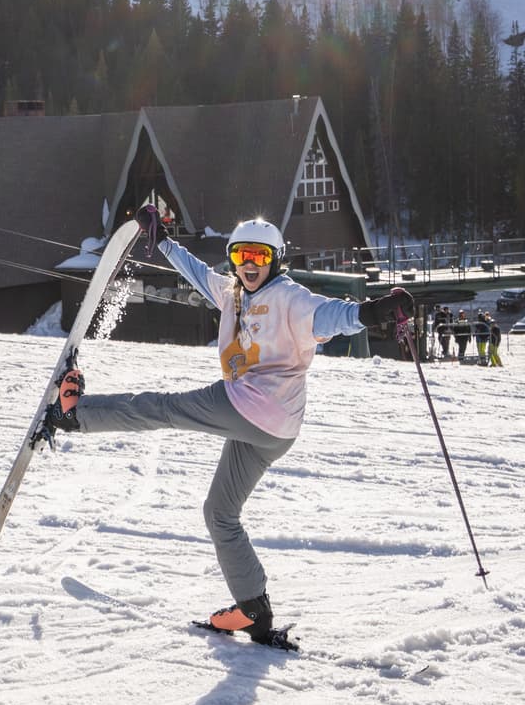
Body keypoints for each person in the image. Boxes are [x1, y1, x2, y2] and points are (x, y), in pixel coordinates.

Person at [43, 207, 412, 645]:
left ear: (275, 259)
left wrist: (372, 312)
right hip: (277, 431)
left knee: (163, 408)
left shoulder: (291, 298)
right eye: (241, 256)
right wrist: (162, 240)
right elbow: (197, 272)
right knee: (220, 513)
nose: (249, 265)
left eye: (258, 256)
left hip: (251, 407)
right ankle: (253, 608)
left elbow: (332, 315)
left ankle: (76, 414)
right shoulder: (232, 292)